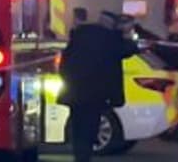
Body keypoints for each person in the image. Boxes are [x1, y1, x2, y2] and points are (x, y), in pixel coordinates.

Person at [58, 10, 139, 162]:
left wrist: (69, 81)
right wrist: (127, 34)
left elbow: (64, 64)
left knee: (77, 127)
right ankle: (84, 157)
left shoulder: (79, 35)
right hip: (96, 94)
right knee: (90, 128)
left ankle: (79, 157)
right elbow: (131, 49)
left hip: (75, 91)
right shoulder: (111, 39)